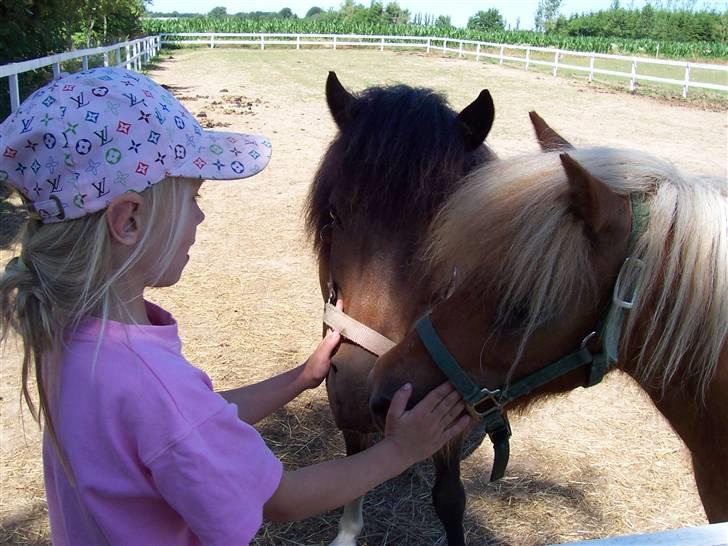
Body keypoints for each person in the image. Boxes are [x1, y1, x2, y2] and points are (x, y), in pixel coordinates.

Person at [0, 67, 470, 545]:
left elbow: (189, 420)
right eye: (192, 196)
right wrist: (399, 451)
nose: (200, 214)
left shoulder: (69, 333)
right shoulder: (150, 380)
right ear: (129, 221)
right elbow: (280, 498)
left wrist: (298, 378)